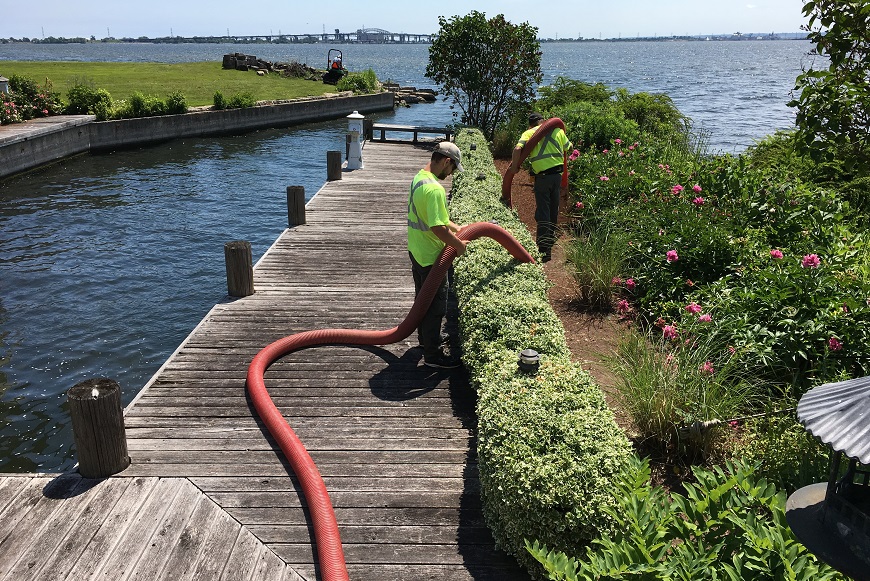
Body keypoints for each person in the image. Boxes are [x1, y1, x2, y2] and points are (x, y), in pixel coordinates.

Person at [407, 141, 467, 368]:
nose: (450, 174)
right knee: (435, 308)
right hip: (432, 257)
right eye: (452, 169)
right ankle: (432, 356)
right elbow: (436, 228)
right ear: (447, 161)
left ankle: (425, 341)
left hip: (417, 251)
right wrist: (458, 245)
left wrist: (455, 228)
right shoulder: (434, 189)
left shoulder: (420, 177)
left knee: (422, 300)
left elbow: (434, 218)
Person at [509, 112, 573, 262]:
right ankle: (549, 242)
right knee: (552, 210)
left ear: (530, 124)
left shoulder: (529, 133)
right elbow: (569, 147)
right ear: (543, 121)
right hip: (557, 177)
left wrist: (514, 168)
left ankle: (544, 250)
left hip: (542, 178)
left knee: (543, 211)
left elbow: (518, 150)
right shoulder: (557, 131)